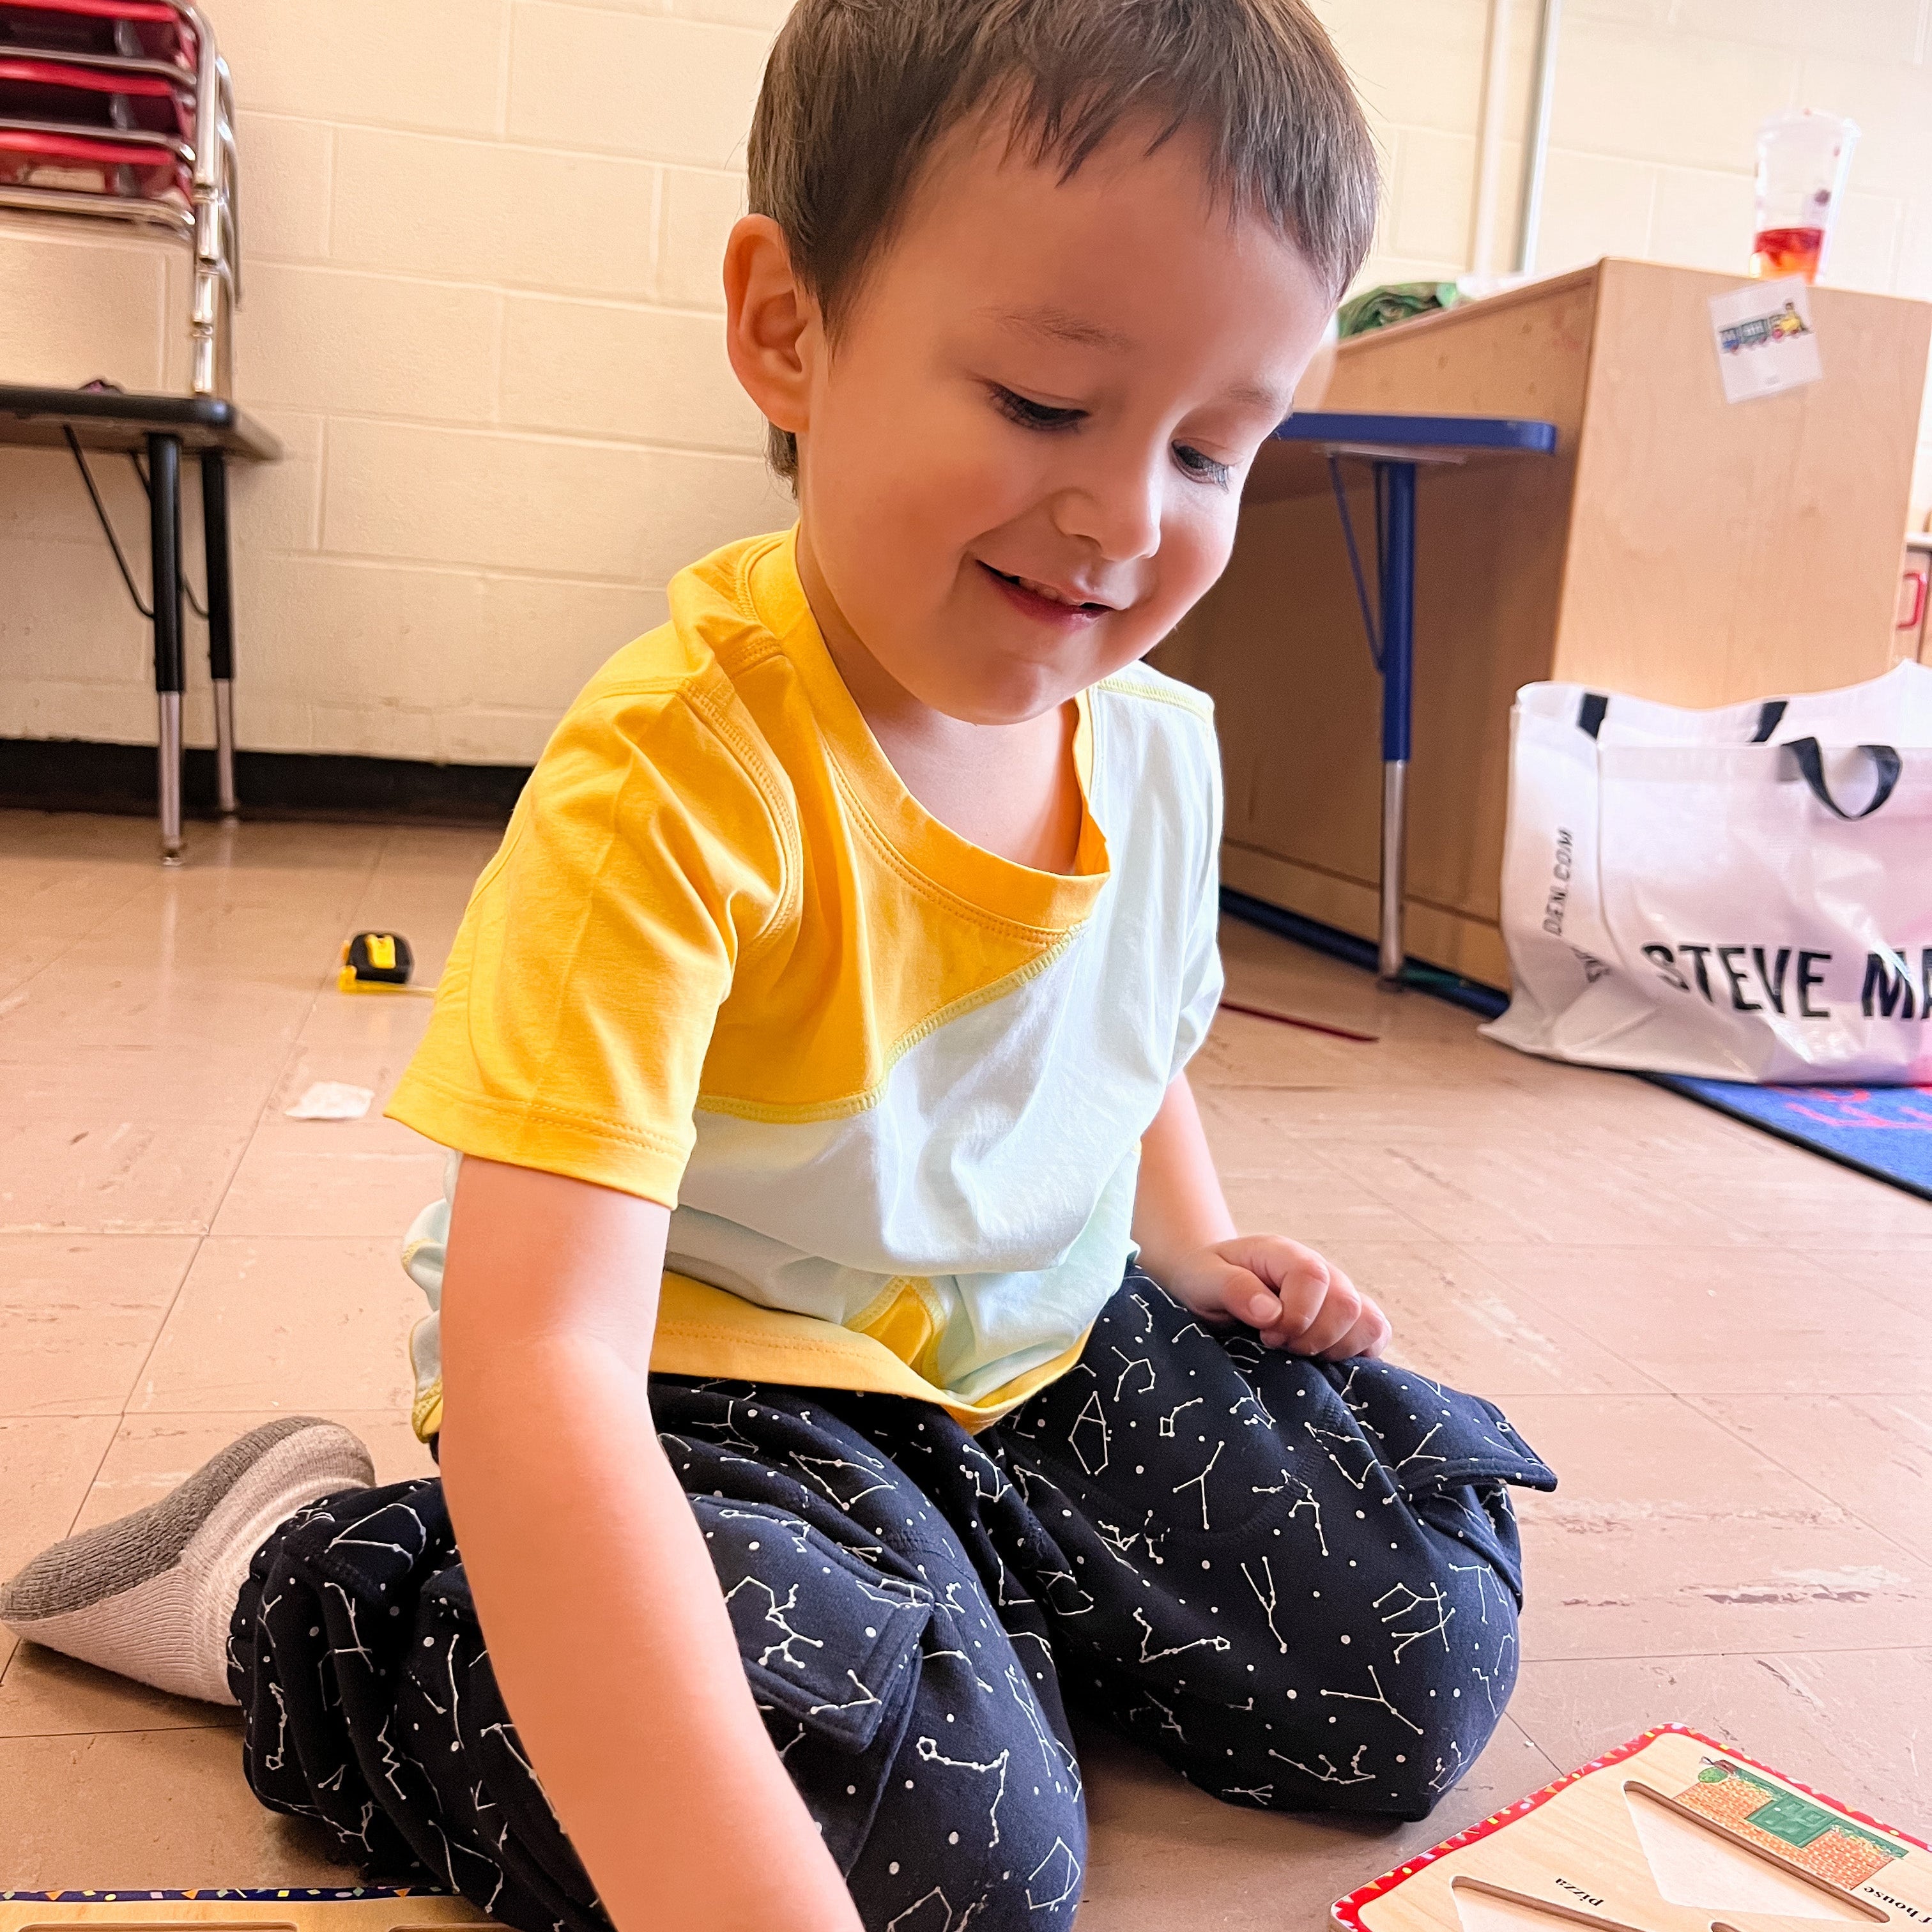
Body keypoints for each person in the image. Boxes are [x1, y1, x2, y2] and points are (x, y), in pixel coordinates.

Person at [2, 3, 1555, 1926]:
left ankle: (941, 1603)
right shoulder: (676, 775)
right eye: (1050, 405)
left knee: (1415, 1645)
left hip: (1023, 1350)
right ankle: (306, 1584)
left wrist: (1186, 1233)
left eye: (1219, 449)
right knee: (930, 1860)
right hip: (705, 1376)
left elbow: (1119, 1027)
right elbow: (536, 1365)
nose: (1127, 523)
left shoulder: (1152, 738)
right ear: (789, 330)